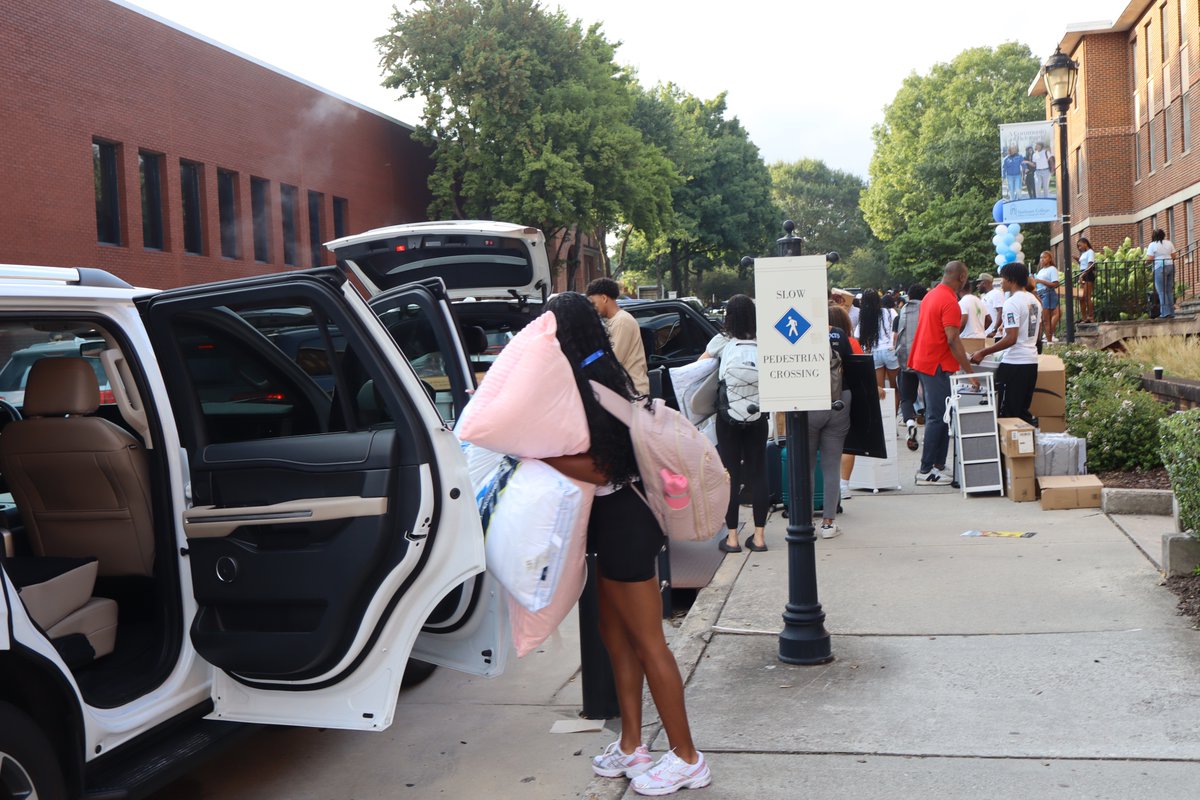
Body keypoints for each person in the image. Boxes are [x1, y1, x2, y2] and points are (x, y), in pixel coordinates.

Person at [540, 293, 710, 796]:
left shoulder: (596, 385)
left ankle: (688, 757)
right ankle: (633, 744)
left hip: (627, 523)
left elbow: (604, 468)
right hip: (610, 523)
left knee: (647, 641)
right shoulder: (592, 376)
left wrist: (537, 457)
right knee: (613, 635)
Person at [698, 294, 768, 554]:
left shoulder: (722, 341)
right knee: (758, 473)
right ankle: (759, 538)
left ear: (728, 316)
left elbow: (699, 366)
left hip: (728, 417)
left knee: (730, 474)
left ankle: (732, 539)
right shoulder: (764, 340)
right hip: (758, 414)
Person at [907, 261, 976, 485]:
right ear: (962, 277)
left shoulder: (932, 295)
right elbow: (952, 339)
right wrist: (969, 371)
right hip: (936, 364)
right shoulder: (950, 301)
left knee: (942, 416)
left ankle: (937, 464)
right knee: (938, 417)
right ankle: (926, 470)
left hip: (926, 361)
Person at [970, 262, 1041, 423]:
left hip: (1015, 363)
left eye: (1002, 278)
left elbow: (1011, 337)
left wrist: (983, 352)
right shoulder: (1034, 301)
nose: (1001, 282)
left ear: (1011, 279)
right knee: (1023, 413)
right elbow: (1036, 335)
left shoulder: (1012, 303)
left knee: (1009, 416)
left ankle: (1009, 448)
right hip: (1031, 362)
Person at [809, 305, 855, 539]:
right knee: (830, 464)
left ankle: (804, 520)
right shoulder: (837, 333)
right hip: (838, 400)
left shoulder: (795, 335)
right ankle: (828, 522)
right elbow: (850, 364)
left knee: (805, 465)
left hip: (808, 403)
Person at [586, 277, 649, 396]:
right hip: (627, 391)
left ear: (604, 298)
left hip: (634, 391)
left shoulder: (622, 321)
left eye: (594, 303)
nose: (593, 308)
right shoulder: (613, 321)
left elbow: (614, 359)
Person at [829, 304, 864, 500]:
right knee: (847, 442)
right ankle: (844, 485)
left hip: (819, 400)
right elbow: (860, 370)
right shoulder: (850, 341)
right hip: (843, 395)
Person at [853, 289, 900, 416]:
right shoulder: (890, 312)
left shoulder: (864, 318)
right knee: (894, 388)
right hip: (890, 350)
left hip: (875, 353)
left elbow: (857, 338)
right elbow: (898, 328)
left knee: (880, 390)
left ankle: (885, 421)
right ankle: (893, 419)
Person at [893, 283, 927, 451]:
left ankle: (910, 422)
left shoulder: (902, 313)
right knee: (930, 396)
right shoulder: (927, 311)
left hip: (906, 362)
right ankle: (930, 428)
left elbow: (897, 339)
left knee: (906, 398)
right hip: (926, 362)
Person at [1145, 228, 1177, 318]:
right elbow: (1174, 256)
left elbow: (1150, 258)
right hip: (1170, 266)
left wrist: (1145, 263)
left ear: (1153, 236)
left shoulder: (1152, 245)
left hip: (1159, 267)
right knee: (1169, 291)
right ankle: (1172, 312)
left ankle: (1165, 313)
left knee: (1161, 291)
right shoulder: (1169, 243)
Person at [1033, 251, 1061, 343]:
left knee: (1047, 318)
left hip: (1048, 293)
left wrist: (1040, 281)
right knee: (1046, 318)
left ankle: (1049, 338)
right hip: (1040, 293)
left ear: (1049, 259)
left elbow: (1055, 284)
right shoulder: (1041, 270)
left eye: (1044, 257)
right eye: (1041, 258)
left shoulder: (1052, 269)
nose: (1042, 260)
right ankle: (1049, 336)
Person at [978, 273, 1005, 340]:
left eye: (979, 283)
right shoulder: (985, 296)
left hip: (995, 336)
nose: (977, 286)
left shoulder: (996, 293)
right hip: (987, 335)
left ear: (984, 283)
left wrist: (994, 330)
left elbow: (1001, 311)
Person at [1077, 238, 1096, 323]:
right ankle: (1084, 317)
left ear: (1085, 243)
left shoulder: (1090, 252)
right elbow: (1082, 264)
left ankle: (1091, 317)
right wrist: (1077, 259)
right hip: (1083, 274)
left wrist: (1082, 275)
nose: (1079, 247)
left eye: (1080, 245)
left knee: (1087, 296)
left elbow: (1090, 264)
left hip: (1088, 274)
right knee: (1081, 297)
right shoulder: (1083, 253)